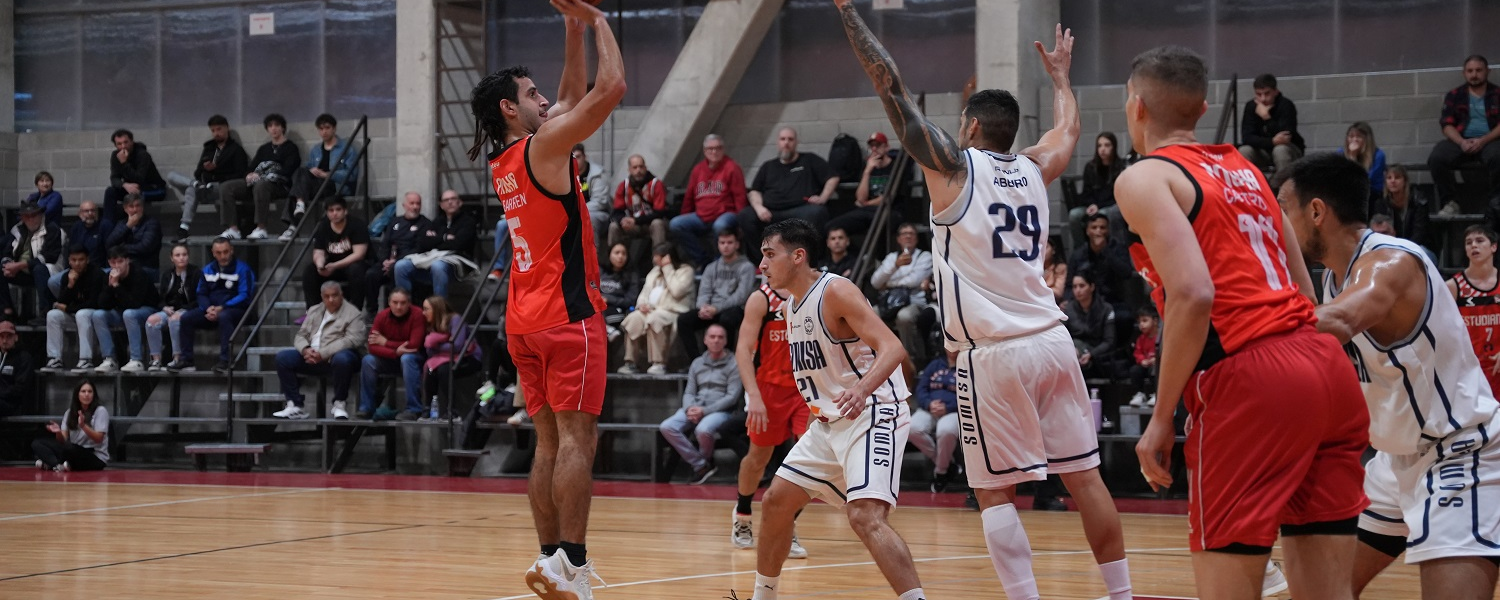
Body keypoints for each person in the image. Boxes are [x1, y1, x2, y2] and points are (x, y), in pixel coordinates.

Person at [836, 10, 1131, 599]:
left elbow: (891, 86)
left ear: (969, 126)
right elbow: (1069, 130)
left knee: (995, 493)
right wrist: (1061, 79)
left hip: (993, 354)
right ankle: (1121, 595)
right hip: (1053, 341)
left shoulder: (952, 167)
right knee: (1086, 479)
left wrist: (848, 12)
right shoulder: (1034, 166)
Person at [1117, 46, 1368, 599]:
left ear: (1136, 106)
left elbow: (1193, 293)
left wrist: (1161, 417)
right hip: (1323, 364)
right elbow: (1306, 291)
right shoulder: (1248, 171)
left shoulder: (1145, 177)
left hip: (1251, 377)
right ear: (1204, 108)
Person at [1279, 152, 1500, 598]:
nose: (1276, 225)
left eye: (1283, 210)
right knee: (1320, 589)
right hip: (1393, 462)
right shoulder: (1334, 279)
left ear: (1317, 211)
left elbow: (1338, 321)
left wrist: (1234, 319)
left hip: (1459, 454)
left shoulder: (1391, 262)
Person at [466, 0, 624, 593]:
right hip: (568, 316)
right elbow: (609, 90)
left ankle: (554, 558)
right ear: (510, 108)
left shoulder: (508, 157)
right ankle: (572, 563)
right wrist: (601, 20)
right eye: (532, 95)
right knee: (579, 439)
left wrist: (571, 30)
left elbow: (569, 95)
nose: (545, 100)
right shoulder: (544, 147)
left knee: (549, 443)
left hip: (523, 321)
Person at [745, 218, 920, 600]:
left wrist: (860, 389)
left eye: (770, 254)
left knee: (865, 516)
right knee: (776, 502)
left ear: (798, 256)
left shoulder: (835, 290)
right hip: (829, 423)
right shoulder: (791, 306)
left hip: (873, 411)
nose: (762, 264)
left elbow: (893, 347)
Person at [732, 279, 811, 558]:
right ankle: (742, 514)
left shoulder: (815, 291)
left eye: (770, 258)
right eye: (764, 259)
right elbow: (743, 349)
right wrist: (753, 395)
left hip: (806, 388)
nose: (764, 264)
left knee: (810, 461)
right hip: (769, 389)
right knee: (758, 457)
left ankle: (785, 525)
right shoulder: (761, 298)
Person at [739, 127, 839, 262]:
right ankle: (763, 261)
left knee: (818, 212)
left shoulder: (809, 159)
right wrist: (759, 208)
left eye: (790, 139)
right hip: (770, 212)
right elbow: (755, 191)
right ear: (778, 142)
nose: (786, 143)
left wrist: (823, 198)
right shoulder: (768, 166)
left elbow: (833, 177)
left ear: (796, 142)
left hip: (800, 209)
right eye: (783, 139)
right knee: (745, 216)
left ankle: (809, 262)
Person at [658, 323, 741, 484]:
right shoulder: (697, 363)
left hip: (721, 410)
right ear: (705, 340)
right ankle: (701, 465)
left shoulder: (735, 364)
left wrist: (704, 411)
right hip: (694, 406)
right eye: (712, 337)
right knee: (667, 426)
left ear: (725, 341)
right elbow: (689, 391)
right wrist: (690, 408)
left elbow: (732, 397)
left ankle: (702, 466)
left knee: (703, 430)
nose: (716, 340)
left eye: (720, 337)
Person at [271, 282, 365, 420]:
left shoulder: (353, 313)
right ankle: (295, 405)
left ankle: (339, 404)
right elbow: (301, 335)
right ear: (322, 297)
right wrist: (305, 350)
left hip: (338, 357)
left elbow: (352, 340)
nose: (331, 299)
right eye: (327, 296)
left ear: (341, 295)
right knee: (283, 358)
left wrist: (323, 353)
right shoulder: (314, 310)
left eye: (334, 295)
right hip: (312, 355)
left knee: (342, 359)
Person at [1428, 55, 1500, 217]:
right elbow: (1446, 124)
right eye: (1470, 71)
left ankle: (1496, 202)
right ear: (1464, 73)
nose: (1474, 75)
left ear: (1487, 71)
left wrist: (1483, 140)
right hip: (1460, 140)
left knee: (1498, 156)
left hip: (1490, 140)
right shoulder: (1454, 95)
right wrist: (1461, 142)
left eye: (1478, 70)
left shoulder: (1497, 94)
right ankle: (1450, 202)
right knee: (1437, 158)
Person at [172, 238, 256, 373]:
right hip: (212, 310)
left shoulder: (243, 269)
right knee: (186, 318)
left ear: (232, 251)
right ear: (213, 253)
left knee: (224, 316)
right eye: (219, 253)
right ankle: (187, 360)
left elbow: (245, 295)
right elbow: (201, 293)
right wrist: (208, 308)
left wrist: (222, 307)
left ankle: (225, 361)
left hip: (237, 311)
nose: (223, 256)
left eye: (225, 252)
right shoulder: (208, 269)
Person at [165, 114, 250, 243]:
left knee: (192, 190)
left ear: (227, 128)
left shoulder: (236, 150)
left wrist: (217, 170)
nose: (216, 133)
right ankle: (184, 228)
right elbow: (197, 172)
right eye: (213, 130)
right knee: (175, 178)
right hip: (204, 185)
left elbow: (240, 174)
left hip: (220, 186)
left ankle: (184, 225)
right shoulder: (209, 148)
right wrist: (205, 169)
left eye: (219, 129)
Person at [219, 113, 302, 240]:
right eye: (270, 126)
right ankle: (233, 229)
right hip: (257, 183)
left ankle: (261, 228)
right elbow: (251, 167)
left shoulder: (291, 148)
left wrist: (266, 176)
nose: (273, 128)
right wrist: (249, 174)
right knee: (226, 187)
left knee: (261, 185)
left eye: (276, 125)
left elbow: (289, 169)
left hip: (278, 185)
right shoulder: (264, 149)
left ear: (283, 128)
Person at [282, 113, 360, 241]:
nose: (324, 131)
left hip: (334, 186)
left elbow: (352, 175)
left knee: (297, 189)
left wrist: (328, 175)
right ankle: (299, 205)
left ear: (334, 128)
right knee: (300, 174)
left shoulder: (347, 149)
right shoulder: (316, 149)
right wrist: (312, 170)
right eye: (321, 129)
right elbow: (307, 171)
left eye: (327, 128)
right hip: (318, 185)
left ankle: (293, 226)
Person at [619, 243, 695, 375]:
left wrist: (668, 268)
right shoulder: (654, 271)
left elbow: (677, 291)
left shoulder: (686, 271)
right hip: (651, 310)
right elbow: (644, 292)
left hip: (673, 311)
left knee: (656, 318)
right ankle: (631, 363)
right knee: (633, 318)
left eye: (658, 256)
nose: (654, 260)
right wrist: (641, 305)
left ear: (668, 257)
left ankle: (659, 363)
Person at [677, 229, 755, 357]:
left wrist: (716, 308)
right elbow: (704, 291)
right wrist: (703, 307)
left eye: (729, 242)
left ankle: (727, 360)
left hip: (734, 309)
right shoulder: (711, 267)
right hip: (711, 309)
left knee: (727, 318)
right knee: (684, 320)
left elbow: (740, 297)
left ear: (737, 244)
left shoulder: (746, 267)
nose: (725, 246)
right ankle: (697, 361)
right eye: (722, 243)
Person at [671, 134, 746, 266]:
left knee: (720, 225)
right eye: (710, 149)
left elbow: (740, 197)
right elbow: (689, 197)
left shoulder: (732, 167)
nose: (714, 152)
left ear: (723, 149)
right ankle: (703, 261)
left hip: (725, 214)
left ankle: (719, 262)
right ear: (705, 151)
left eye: (718, 148)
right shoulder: (697, 170)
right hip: (701, 217)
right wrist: (685, 214)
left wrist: (741, 223)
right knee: (676, 224)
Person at [827, 131, 912, 238]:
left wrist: (865, 204)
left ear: (886, 147)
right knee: (832, 226)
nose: (874, 149)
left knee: (880, 227)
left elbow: (887, 198)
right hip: (867, 211)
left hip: (890, 210)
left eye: (878, 145)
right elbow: (860, 198)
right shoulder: (867, 167)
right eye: (872, 146)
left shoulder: (896, 168)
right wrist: (867, 171)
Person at [397, 189, 477, 301]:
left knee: (438, 266)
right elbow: (424, 242)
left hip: (458, 264)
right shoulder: (438, 221)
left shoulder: (468, 222)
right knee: (401, 266)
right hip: (433, 259)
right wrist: (444, 238)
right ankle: (405, 306)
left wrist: (435, 240)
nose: (450, 202)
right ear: (441, 205)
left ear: (460, 202)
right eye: (446, 200)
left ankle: (439, 308)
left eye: (453, 199)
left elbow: (458, 245)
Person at [359, 288, 426, 420]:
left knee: (407, 358)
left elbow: (414, 345)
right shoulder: (382, 316)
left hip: (414, 359)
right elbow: (372, 346)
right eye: (395, 303)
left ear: (409, 303)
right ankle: (366, 408)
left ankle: (414, 409)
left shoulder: (417, 314)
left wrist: (386, 342)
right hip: (390, 358)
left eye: (403, 303)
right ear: (389, 303)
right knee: (368, 360)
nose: (399, 307)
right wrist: (395, 352)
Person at [870, 223, 933, 363]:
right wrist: (895, 266)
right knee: (872, 313)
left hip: (913, 301)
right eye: (904, 233)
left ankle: (909, 358)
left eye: (911, 233)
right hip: (890, 301)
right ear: (898, 239)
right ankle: (879, 355)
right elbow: (875, 282)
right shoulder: (892, 258)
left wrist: (888, 283)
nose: (908, 236)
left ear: (916, 238)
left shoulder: (924, 256)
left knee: (904, 316)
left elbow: (914, 281)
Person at [94, 246, 161, 373]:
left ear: (127, 260)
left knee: (129, 314)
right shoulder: (108, 276)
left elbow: (134, 303)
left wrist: (116, 285)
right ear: (109, 263)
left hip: (147, 310)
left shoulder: (139, 274)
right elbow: (102, 304)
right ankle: (109, 359)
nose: (116, 266)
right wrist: (110, 287)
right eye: (113, 262)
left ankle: (136, 359)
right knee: (98, 315)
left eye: (120, 261)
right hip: (122, 312)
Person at [1450, 225, 1500, 395]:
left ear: (1493, 247)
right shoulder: (1453, 286)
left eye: (1479, 241)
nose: (1473, 245)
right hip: (1468, 368)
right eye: (1468, 242)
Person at [0, 200, 65, 322]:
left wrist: (19, 265)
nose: (30, 219)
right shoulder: (17, 230)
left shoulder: (52, 229)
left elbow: (48, 257)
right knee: (1, 268)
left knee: (38, 269)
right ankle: (7, 310)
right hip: (22, 272)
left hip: (48, 272)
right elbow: (7, 252)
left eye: (34, 215)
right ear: (22, 217)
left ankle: (45, 312)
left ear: (40, 215)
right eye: (27, 216)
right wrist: (7, 265)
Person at [366, 192, 431, 313]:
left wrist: (395, 261)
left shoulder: (425, 224)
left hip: (409, 262)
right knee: (371, 274)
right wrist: (384, 260)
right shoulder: (395, 222)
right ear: (404, 205)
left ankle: (395, 311)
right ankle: (371, 312)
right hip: (389, 260)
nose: (415, 207)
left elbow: (419, 248)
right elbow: (385, 243)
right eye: (412, 203)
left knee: (395, 270)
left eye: (418, 203)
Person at [44, 247, 106, 372]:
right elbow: (61, 301)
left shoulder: (97, 274)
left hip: (94, 314)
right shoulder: (67, 276)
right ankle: (55, 358)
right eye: (74, 260)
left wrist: (68, 308)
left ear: (87, 260)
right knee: (53, 315)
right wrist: (70, 285)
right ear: (69, 261)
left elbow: (94, 303)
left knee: (82, 314)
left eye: (81, 260)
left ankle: (85, 359)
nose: (77, 263)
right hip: (74, 313)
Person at [420, 295, 482, 420]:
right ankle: (427, 408)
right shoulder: (432, 324)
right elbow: (429, 350)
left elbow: (457, 345)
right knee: (431, 370)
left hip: (469, 357)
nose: (423, 313)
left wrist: (436, 344)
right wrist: (441, 343)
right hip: (445, 359)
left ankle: (452, 411)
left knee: (444, 370)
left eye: (426, 309)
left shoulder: (455, 319)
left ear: (436, 309)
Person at [303, 196, 370, 311]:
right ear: (327, 213)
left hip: (354, 264)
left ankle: (355, 311)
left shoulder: (357, 225)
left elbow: (359, 254)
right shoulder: (323, 226)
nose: (334, 213)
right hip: (332, 265)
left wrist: (335, 266)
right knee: (310, 271)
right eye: (331, 210)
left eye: (338, 210)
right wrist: (320, 265)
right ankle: (313, 311)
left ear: (345, 211)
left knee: (356, 270)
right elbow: (318, 252)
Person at [1238, 73, 1305, 180]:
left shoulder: (1286, 105)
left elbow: (1286, 136)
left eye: (1267, 93)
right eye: (1258, 94)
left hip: (1290, 149)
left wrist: (1267, 118)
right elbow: (1247, 138)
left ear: (1275, 91)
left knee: (1280, 150)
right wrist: (1272, 141)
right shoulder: (1251, 106)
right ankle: (1253, 185)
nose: (1263, 99)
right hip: (1263, 150)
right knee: (1244, 151)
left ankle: (1282, 187)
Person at [911, 350, 960, 492]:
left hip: (954, 410)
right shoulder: (935, 364)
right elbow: (921, 388)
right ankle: (946, 463)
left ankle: (941, 472)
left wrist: (948, 407)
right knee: (911, 428)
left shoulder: (967, 365)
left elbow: (971, 393)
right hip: (930, 408)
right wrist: (928, 404)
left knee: (946, 430)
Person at [33, 379, 109, 472]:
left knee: (70, 449)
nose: (86, 394)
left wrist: (83, 426)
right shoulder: (69, 413)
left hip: (94, 456)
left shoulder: (100, 411)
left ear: (94, 394)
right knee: (38, 443)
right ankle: (57, 464)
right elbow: (63, 440)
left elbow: (99, 439)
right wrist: (58, 432)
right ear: (77, 394)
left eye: (90, 391)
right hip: (73, 450)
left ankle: (51, 463)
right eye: (83, 391)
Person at [145, 244, 200, 372]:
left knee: (174, 320)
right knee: (151, 321)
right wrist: (164, 307)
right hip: (170, 309)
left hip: (189, 309)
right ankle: (156, 359)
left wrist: (183, 309)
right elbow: (161, 298)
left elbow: (198, 299)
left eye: (184, 255)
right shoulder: (167, 274)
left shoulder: (195, 273)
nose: (181, 258)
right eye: (177, 255)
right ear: (172, 258)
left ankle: (177, 358)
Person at [1067, 132, 1126, 251]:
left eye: (1107, 145)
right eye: (1099, 145)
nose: (1102, 149)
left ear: (1113, 147)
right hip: (1093, 205)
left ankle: (1112, 250)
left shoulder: (1120, 167)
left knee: (1107, 213)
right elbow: (1086, 192)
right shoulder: (1091, 167)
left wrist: (1098, 206)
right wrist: (1091, 205)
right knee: (1074, 215)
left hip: (1110, 206)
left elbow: (1117, 196)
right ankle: (1081, 251)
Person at [1066, 213, 1134, 305]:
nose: (1098, 231)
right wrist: (1068, 300)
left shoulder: (1118, 248)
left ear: (1108, 230)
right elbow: (1069, 284)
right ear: (1087, 231)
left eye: (1102, 228)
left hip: (1113, 301)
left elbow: (1127, 273)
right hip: (1085, 303)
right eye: (1094, 228)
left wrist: (1105, 250)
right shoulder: (1078, 254)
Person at [1062, 271, 1120, 379]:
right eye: (1074, 287)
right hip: (1074, 350)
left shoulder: (1106, 309)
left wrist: (1091, 354)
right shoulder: (1069, 309)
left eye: (1082, 286)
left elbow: (1109, 341)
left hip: (1096, 354)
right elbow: (1061, 334)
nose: (1078, 290)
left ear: (1092, 287)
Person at [51, 201, 112, 300]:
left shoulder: (105, 225)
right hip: (77, 267)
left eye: (93, 210)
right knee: (53, 282)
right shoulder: (76, 227)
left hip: (100, 268)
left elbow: (110, 250)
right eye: (86, 211)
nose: (90, 213)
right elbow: (70, 250)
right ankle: (68, 302)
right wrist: (70, 269)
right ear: (80, 214)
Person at [102, 129, 165, 223]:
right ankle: (107, 224)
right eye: (119, 144)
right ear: (115, 145)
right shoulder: (116, 155)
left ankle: (136, 225)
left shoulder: (143, 155)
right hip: (130, 188)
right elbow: (114, 178)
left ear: (132, 141)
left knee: (134, 197)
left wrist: (124, 163)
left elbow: (139, 179)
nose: (123, 146)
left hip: (153, 189)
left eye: (126, 142)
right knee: (110, 191)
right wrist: (124, 185)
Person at [106, 193, 163, 279]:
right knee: (104, 275)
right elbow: (109, 244)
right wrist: (128, 226)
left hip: (146, 266)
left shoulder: (152, 223)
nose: (135, 209)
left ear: (142, 207)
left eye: (138, 206)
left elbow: (145, 247)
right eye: (131, 206)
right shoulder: (122, 223)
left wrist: (121, 248)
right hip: (123, 266)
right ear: (125, 209)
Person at [1376, 164, 1433, 252]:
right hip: (1392, 248)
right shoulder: (1381, 203)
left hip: (1419, 247)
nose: (1393, 181)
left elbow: (1420, 233)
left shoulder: (1418, 200)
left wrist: (1403, 249)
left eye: (1397, 177)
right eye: (1389, 178)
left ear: (1405, 181)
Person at [1338, 121, 1386, 213]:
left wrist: (1352, 157)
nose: (1354, 140)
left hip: (1371, 196)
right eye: (1351, 136)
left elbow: (1364, 181)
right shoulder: (1340, 153)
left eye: (1358, 137)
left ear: (1367, 139)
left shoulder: (1378, 155)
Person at [598, 242, 641, 342]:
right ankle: (607, 329)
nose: (620, 256)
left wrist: (608, 299)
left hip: (617, 310)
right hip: (599, 306)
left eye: (623, 253)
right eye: (617, 253)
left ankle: (607, 329)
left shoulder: (632, 275)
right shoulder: (601, 271)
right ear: (609, 255)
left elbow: (630, 300)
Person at [0, 321, 36, 418]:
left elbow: (20, 388)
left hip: (12, 404)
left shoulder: (24, 358)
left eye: (9, 336)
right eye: (1, 337)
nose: (4, 341)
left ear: (16, 337)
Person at [1126, 307, 1159, 407]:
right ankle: (1139, 394)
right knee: (1135, 370)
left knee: (1155, 370)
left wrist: (1157, 359)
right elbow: (1137, 352)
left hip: (1157, 365)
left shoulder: (1161, 337)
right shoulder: (1141, 339)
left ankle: (1156, 394)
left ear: (1155, 321)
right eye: (1139, 322)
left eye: (1145, 321)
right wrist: (1142, 360)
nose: (1141, 324)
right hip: (1145, 364)